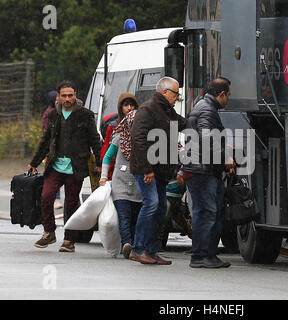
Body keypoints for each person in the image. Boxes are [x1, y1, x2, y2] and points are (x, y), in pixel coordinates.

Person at [28, 80, 102, 253]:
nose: (67, 99)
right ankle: (49, 232)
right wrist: (34, 162)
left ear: (75, 95)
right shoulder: (54, 115)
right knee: (46, 197)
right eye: (64, 96)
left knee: (71, 203)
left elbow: (95, 141)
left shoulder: (86, 115)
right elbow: (45, 140)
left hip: (76, 167)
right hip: (55, 165)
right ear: (59, 97)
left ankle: (69, 240)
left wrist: (99, 164)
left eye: (70, 95)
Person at [129, 76, 186, 265]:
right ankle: (138, 249)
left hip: (161, 171)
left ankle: (151, 251)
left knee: (161, 209)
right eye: (175, 93)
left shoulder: (167, 111)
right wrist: (147, 169)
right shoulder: (148, 109)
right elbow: (138, 140)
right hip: (147, 170)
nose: (177, 97)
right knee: (151, 204)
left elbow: (183, 123)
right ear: (165, 92)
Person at [182, 77, 235, 268]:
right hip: (202, 170)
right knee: (207, 213)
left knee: (205, 212)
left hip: (199, 168)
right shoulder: (207, 110)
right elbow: (207, 139)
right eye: (228, 95)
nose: (228, 99)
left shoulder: (203, 106)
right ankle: (201, 256)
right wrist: (225, 159)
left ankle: (206, 255)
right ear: (220, 94)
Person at [99, 93, 142, 259]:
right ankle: (127, 244)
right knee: (124, 216)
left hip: (138, 184)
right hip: (120, 183)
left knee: (136, 218)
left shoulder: (144, 137)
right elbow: (108, 157)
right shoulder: (119, 136)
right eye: (126, 105)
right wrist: (103, 177)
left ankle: (135, 245)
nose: (130, 109)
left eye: (133, 106)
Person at [42, 90, 63, 210]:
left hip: (59, 148)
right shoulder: (49, 114)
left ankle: (56, 198)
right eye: (56, 99)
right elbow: (46, 134)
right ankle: (55, 198)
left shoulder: (59, 112)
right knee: (54, 174)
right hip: (51, 150)